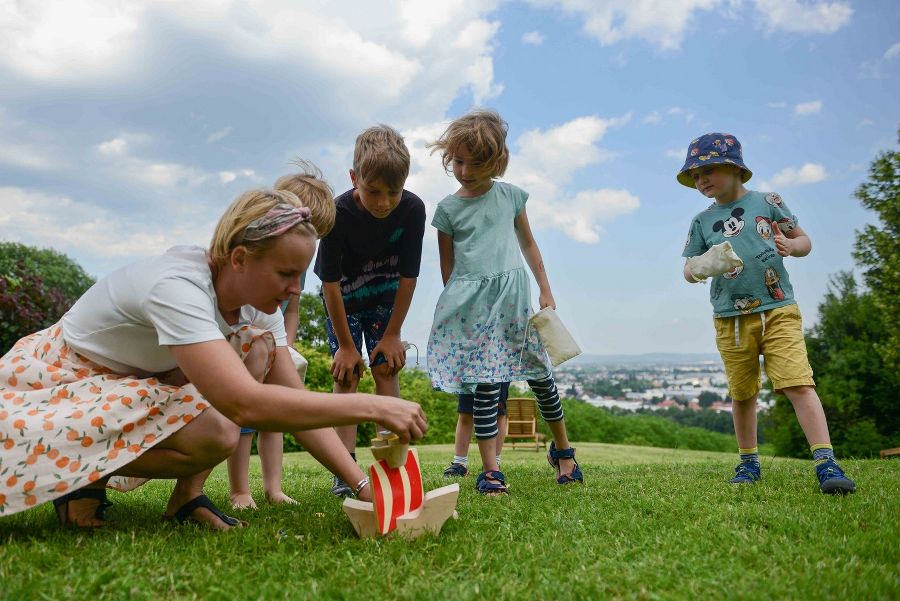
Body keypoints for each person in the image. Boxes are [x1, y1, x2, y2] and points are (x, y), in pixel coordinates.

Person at [0, 186, 427, 530]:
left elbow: (292, 398)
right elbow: (244, 404)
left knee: (255, 351)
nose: (297, 289)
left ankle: (185, 499)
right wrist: (375, 404)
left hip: (133, 383)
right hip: (58, 380)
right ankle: (84, 478)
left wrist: (361, 485)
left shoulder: (260, 305)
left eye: (300, 275)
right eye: (286, 274)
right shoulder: (177, 288)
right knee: (219, 430)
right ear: (240, 258)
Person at [678, 132, 855, 494]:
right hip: (731, 317)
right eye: (695, 176)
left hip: (779, 310)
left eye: (709, 170)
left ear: (735, 168)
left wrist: (792, 245)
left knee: (798, 384)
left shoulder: (768, 201)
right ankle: (748, 463)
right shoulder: (701, 222)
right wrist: (704, 265)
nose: (702, 180)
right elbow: (687, 270)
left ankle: (826, 463)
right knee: (742, 393)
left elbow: (804, 241)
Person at [426, 109, 583, 495]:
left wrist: (545, 289)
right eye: (459, 161)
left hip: (515, 304)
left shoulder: (510, 196)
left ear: (496, 162)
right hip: (473, 310)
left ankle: (564, 452)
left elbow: (529, 243)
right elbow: (449, 271)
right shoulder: (447, 210)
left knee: (542, 378)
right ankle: (491, 471)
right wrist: (463, 310)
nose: (465, 170)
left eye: (476, 163)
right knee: (482, 387)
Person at [313, 125, 426, 497]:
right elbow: (329, 284)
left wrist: (394, 335)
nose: (384, 202)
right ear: (354, 178)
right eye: (373, 191)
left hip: (385, 301)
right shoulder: (337, 213)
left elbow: (409, 275)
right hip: (342, 302)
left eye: (394, 192)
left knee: (385, 368)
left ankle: (391, 466)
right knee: (347, 375)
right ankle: (344, 471)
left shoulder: (412, 210)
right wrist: (346, 346)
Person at [225, 163, 338, 510]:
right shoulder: (265, 256)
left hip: (274, 342)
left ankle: (273, 487)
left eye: (316, 234)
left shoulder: (297, 264)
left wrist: (282, 348)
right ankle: (240, 489)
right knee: (248, 415)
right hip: (243, 344)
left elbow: (290, 310)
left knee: (278, 414)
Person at [443, 382, 509, 478]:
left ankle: (494, 463)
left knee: (499, 412)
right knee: (465, 410)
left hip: (500, 370)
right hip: (470, 370)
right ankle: (459, 464)